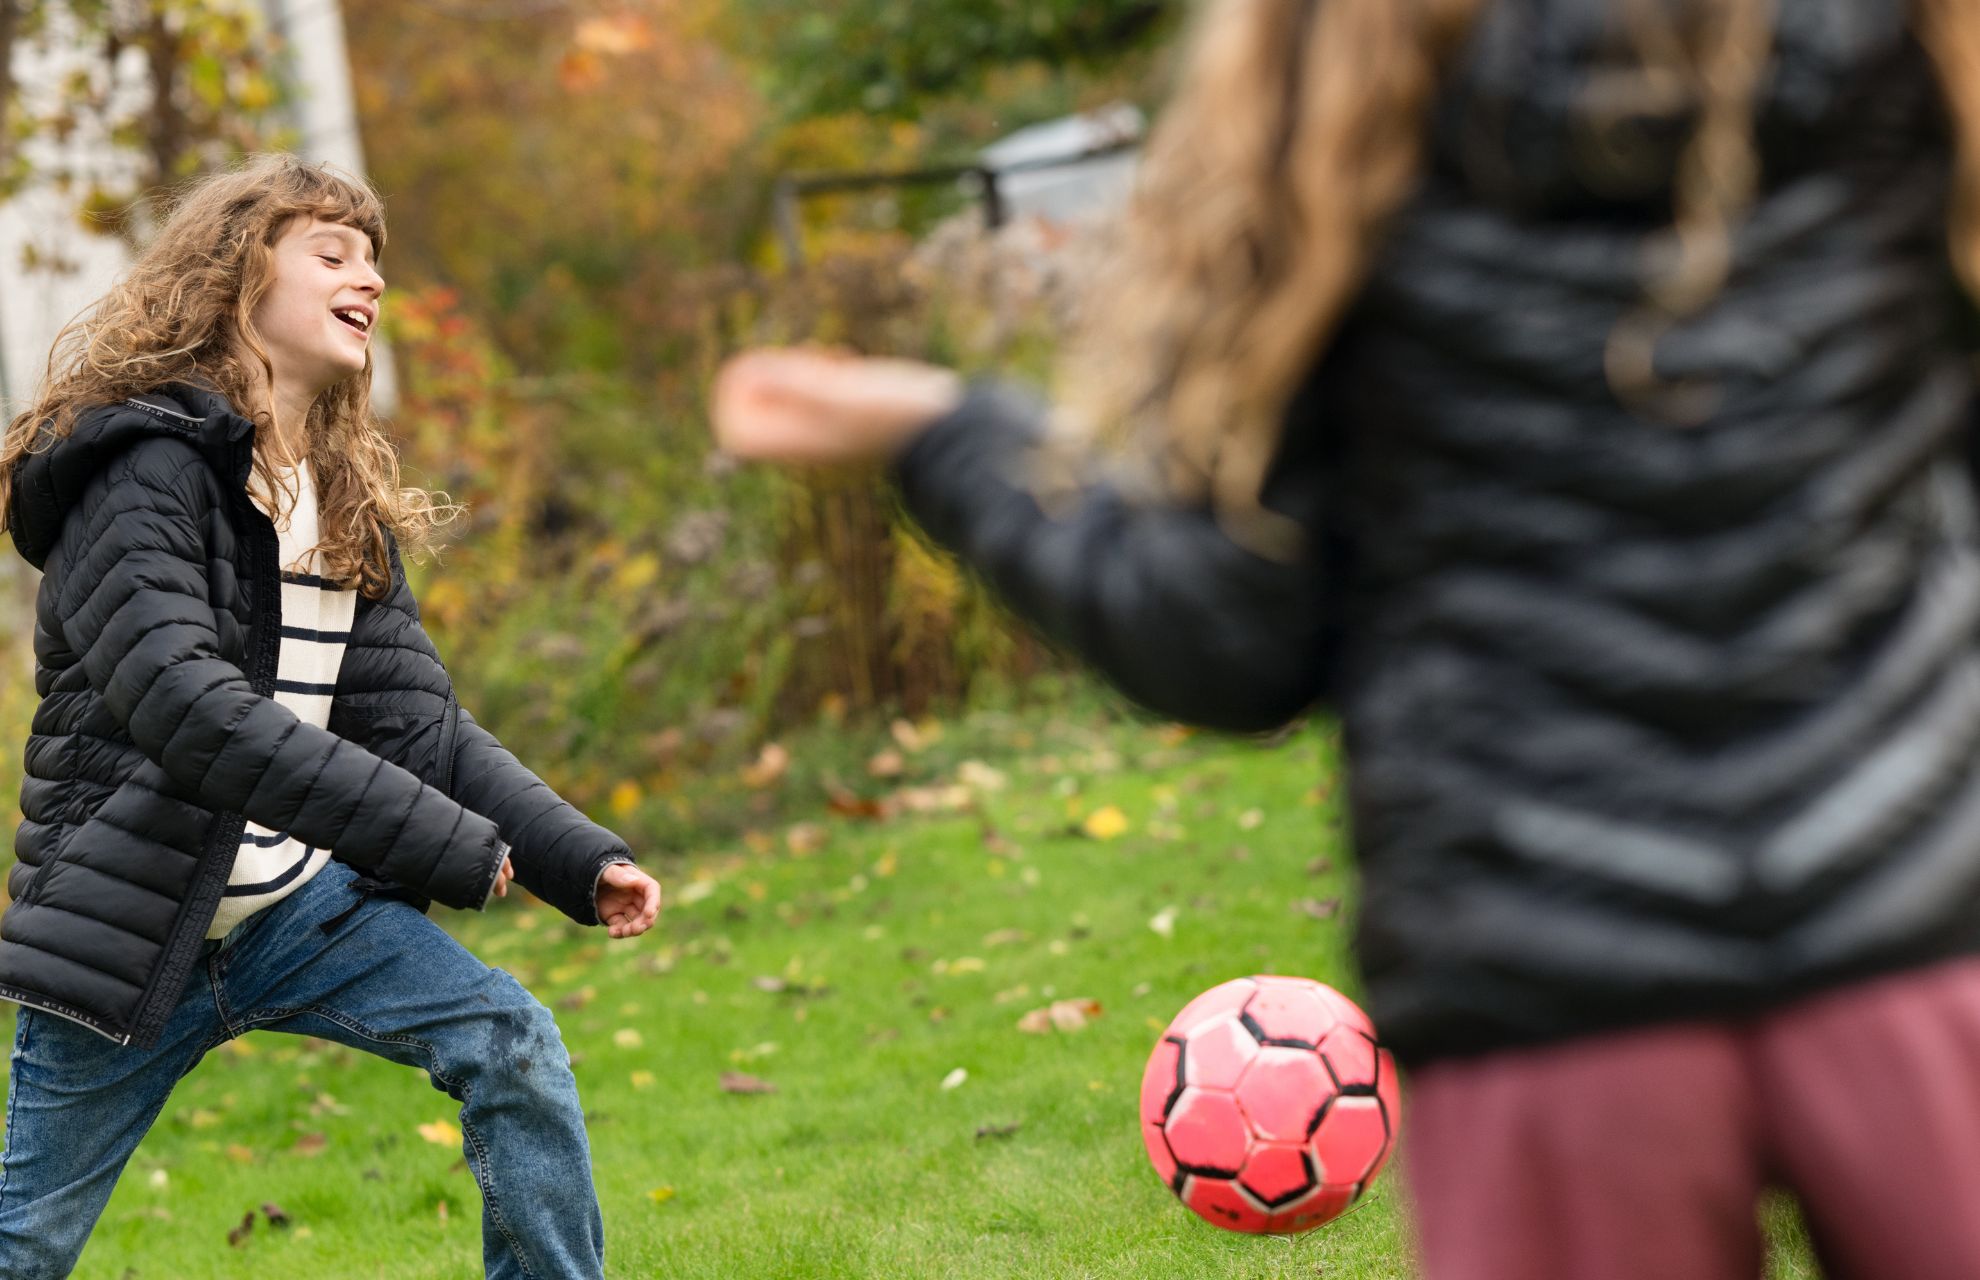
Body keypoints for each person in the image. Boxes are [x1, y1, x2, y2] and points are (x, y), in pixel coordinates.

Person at [712, 1, 1980, 1276]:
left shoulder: (1335, 117)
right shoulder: (1912, 65)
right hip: (1919, 935)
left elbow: (1219, 635)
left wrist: (946, 434)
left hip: (1548, 997)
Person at [0, 154, 663, 1279]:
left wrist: (572, 856)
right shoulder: (144, 472)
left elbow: (424, 728)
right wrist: (443, 843)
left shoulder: (336, 496)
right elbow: (187, 708)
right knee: (26, 1242)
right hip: (134, 922)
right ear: (239, 274)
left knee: (511, 1043)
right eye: (334, 251)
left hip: (297, 913)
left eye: (377, 260)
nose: (370, 278)